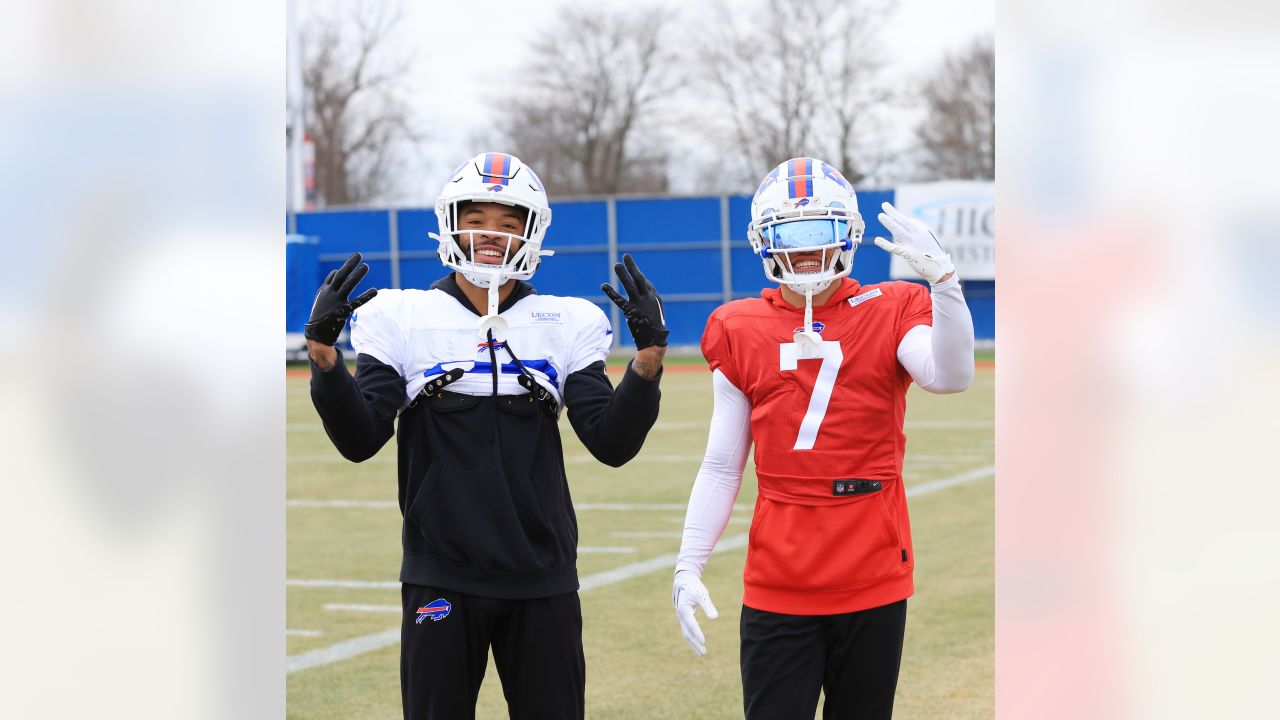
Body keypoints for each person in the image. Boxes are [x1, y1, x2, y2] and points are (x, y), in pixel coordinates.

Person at [305, 151, 669, 719]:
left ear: (532, 233)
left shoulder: (564, 321)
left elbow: (611, 442)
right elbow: (360, 438)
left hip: (541, 574)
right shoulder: (400, 317)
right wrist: (325, 360)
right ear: (451, 224)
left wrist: (647, 361)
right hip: (442, 574)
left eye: (508, 223)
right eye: (476, 219)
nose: (490, 236)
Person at [670, 157, 975, 719]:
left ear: (847, 234)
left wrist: (946, 285)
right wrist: (689, 563)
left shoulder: (892, 306)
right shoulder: (739, 326)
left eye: (821, 230)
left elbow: (949, 376)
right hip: (779, 577)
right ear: (765, 240)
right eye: (791, 232)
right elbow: (721, 465)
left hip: (872, 570)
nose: (807, 249)